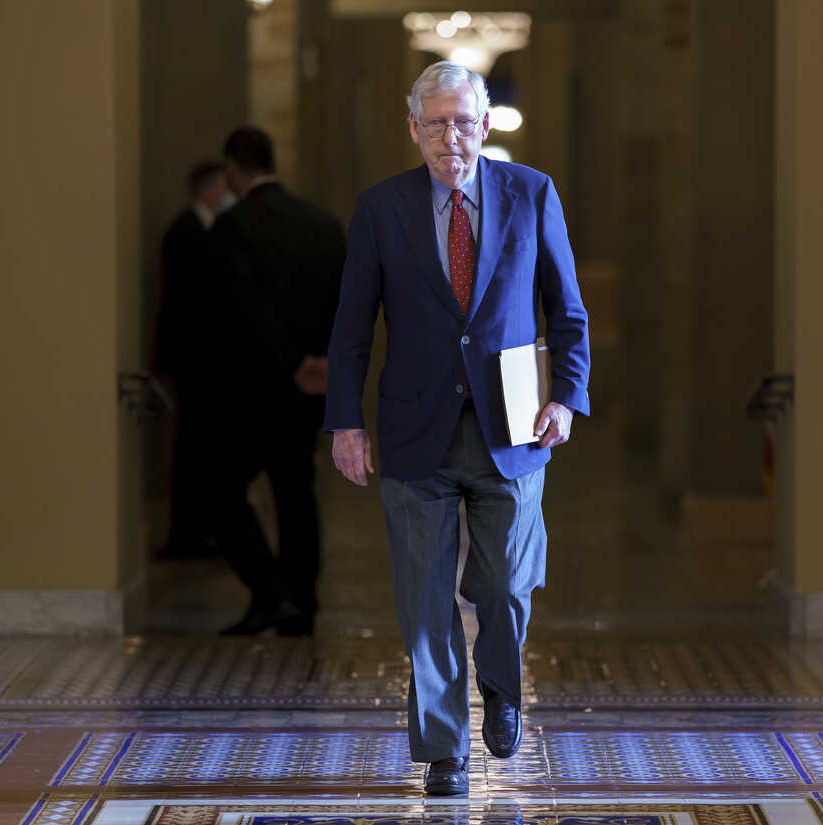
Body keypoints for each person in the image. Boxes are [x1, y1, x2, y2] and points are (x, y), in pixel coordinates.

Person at [325, 62, 590, 795]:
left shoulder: (532, 193)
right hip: (416, 429)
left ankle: (501, 687)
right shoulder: (382, 209)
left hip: (514, 427)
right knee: (424, 597)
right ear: (414, 129)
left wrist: (567, 400)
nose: (451, 138)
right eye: (436, 124)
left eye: (464, 122)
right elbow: (351, 328)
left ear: (484, 124)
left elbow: (567, 309)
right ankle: (445, 750)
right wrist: (345, 423)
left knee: (505, 581)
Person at [205, 126, 345, 636]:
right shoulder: (323, 225)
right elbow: (346, 300)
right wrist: (322, 358)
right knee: (296, 491)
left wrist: (289, 362)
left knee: (220, 492)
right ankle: (301, 603)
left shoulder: (232, 226)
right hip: (311, 386)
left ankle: (271, 593)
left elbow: (241, 309)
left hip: (249, 387)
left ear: (232, 168)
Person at [154, 161, 234, 560]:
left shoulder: (206, 228)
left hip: (205, 358)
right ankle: (186, 533)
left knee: (203, 446)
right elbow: (183, 302)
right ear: (207, 188)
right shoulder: (185, 232)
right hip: (194, 358)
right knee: (192, 447)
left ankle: (201, 529)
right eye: (222, 185)